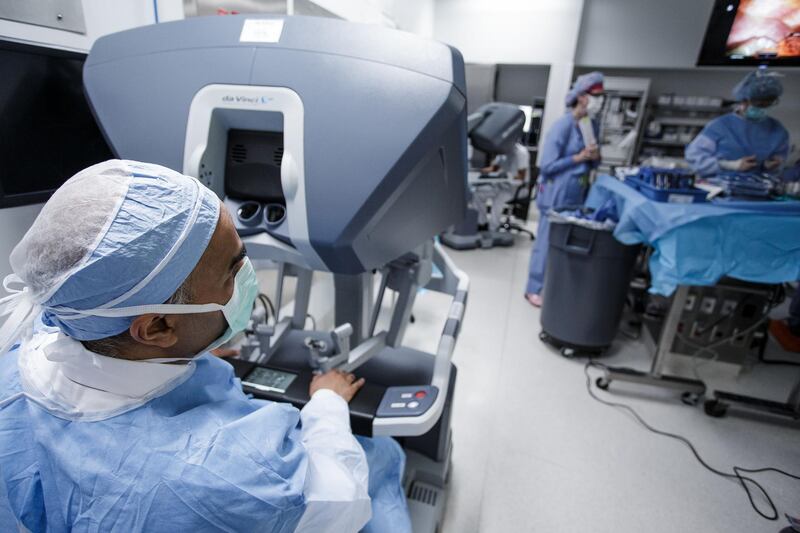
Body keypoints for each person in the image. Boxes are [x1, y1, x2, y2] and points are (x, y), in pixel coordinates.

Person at [0, 160, 411, 532]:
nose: (247, 276)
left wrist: (184, 350)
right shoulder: (222, 478)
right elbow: (339, 504)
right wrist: (328, 405)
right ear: (158, 325)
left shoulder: (57, 328)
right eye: (234, 271)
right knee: (383, 456)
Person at [524, 72, 604, 307]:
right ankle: (534, 288)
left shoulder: (590, 125)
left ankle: (554, 286)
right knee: (546, 242)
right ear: (581, 97)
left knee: (564, 244)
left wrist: (594, 157)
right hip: (555, 193)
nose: (600, 101)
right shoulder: (562, 126)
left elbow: (594, 161)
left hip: (577, 193)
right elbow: (547, 166)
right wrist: (577, 158)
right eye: (596, 96)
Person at [685, 68, 789, 177]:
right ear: (743, 101)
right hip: (717, 188)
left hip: (757, 190)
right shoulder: (721, 126)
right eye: (759, 104)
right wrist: (728, 165)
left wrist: (770, 166)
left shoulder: (777, 130)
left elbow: (778, 166)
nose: (762, 108)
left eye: (767, 104)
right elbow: (694, 157)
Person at [474, 141, 530, 232]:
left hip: (516, 188)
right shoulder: (502, 150)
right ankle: (482, 223)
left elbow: (521, 176)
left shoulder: (521, 153)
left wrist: (505, 176)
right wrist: (478, 171)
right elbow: (494, 168)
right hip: (501, 185)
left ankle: (493, 229)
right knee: (478, 193)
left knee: (498, 199)